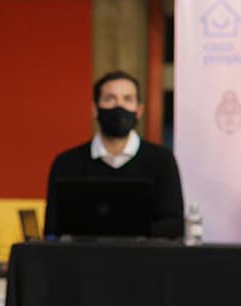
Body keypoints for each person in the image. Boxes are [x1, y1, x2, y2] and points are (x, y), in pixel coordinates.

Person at [43, 70, 184, 238]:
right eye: (110, 99)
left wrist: (129, 233)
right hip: (83, 260)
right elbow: (52, 228)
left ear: (139, 110)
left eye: (127, 99)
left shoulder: (162, 160)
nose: (119, 106)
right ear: (95, 109)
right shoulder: (67, 163)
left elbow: (174, 224)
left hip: (144, 260)